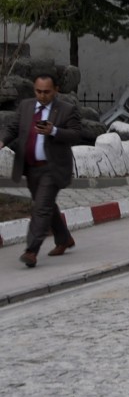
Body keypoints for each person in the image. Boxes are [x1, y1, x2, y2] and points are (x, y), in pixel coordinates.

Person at [2, 72, 83, 268]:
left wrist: (53, 131)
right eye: (38, 91)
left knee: (41, 207)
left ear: (56, 90)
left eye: (47, 91)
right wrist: (2, 140)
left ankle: (31, 251)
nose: (42, 95)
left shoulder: (66, 110)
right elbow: (13, 127)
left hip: (52, 168)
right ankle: (64, 238)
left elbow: (76, 134)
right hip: (31, 168)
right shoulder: (26, 106)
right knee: (44, 204)